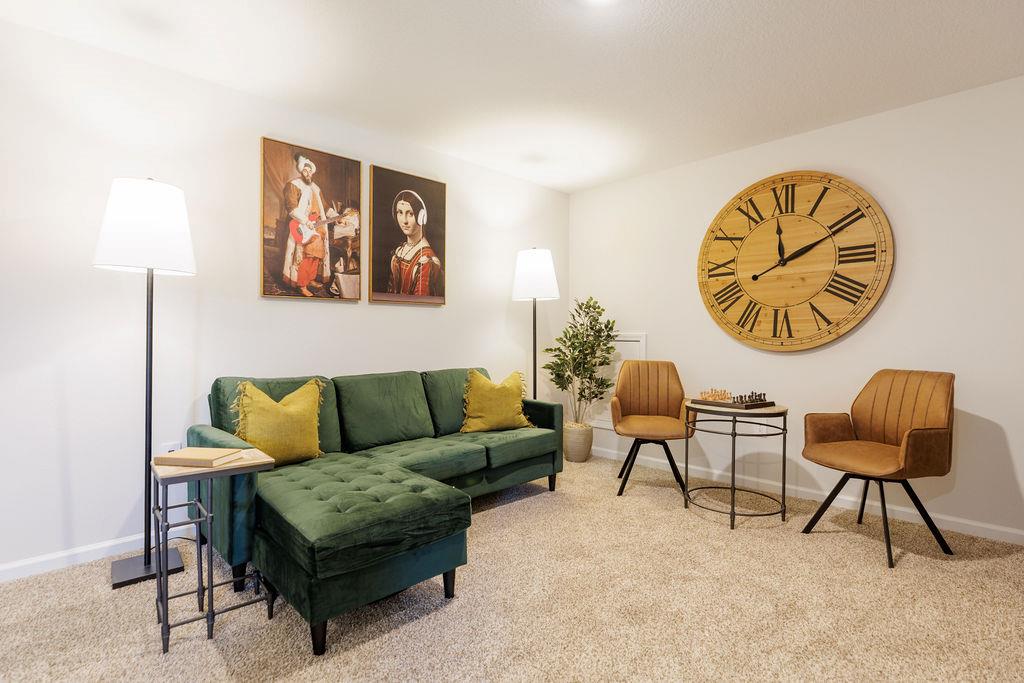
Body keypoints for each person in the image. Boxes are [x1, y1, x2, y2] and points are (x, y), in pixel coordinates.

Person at [282, 154, 337, 296]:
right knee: (305, 255)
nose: (308, 173)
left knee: (316, 254)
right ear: (301, 171)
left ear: (312, 172)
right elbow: (291, 208)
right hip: (302, 227)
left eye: (310, 171)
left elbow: (325, 206)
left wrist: (336, 217)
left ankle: (310, 278)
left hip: (317, 226)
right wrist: (306, 221)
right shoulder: (293, 185)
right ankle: (302, 284)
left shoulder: (316, 188)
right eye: (305, 171)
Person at [387, 190, 443, 296]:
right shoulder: (399, 251)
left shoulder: (426, 260)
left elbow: (421, 300)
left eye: (410, 214)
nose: (404, 221)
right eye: (400, 212)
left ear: (421, 217)